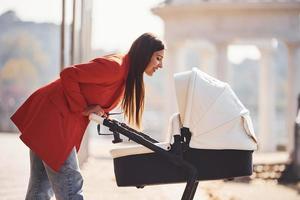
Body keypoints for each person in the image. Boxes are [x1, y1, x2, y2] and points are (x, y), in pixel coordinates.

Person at [10, 32, 165, 200]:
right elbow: (69, 74)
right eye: (158, 58)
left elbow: (92, 93)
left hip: (52, 118)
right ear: (145, 54)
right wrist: (84, 107)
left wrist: (97, 110)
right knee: (71, 186)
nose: (160, 64)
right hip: (54, 119)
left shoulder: (124, 73)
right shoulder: (115, 67)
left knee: (40, 188)